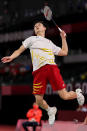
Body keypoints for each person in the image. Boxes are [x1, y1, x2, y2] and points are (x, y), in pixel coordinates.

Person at [1, 21, 85, 125]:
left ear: (44, 28)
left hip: (51, 67)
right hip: (38, 72)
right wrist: (11, 57)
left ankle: (77, 94)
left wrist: (63, 38)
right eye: (35, 26)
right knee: (38, 100)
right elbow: (19, 50)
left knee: (64, 96)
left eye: (39, 25)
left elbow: (64, 52)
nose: (36, 26)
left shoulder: (49, 42)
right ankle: (50, 110)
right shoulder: (31, 39)